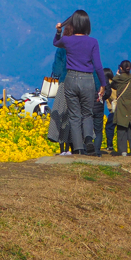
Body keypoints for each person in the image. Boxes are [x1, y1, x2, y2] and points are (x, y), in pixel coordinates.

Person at [53, 9, 107, 155]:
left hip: (71, 79)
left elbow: (56, 43)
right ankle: (88, 139)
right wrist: (103, 85)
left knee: (74, 116)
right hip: (88, 79)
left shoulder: (67, 40)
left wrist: (59, 30)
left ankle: (78, 148)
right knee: (87, 114)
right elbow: (98, 66)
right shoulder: (93, 42)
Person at [46, 18, 71, 154]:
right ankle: (73, 147)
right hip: (80, 83)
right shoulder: (80, 44)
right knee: (74, 116)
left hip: (64, 82)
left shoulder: (63, 47)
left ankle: (62, 147)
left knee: (60, 114)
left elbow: (57, 67)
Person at [109, 60, 131, 156]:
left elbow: (113, 86)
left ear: (120, 68)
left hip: (122, 107)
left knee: (122, 128)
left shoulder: (118, 79)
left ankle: (123, 151)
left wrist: (117, 74)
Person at [103, 67, 116, 150]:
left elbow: (112, 96)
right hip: (122, 109)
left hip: (115, 110)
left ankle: (110, 146)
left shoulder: (109, 85)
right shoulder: (116, 83)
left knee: (109, 127)